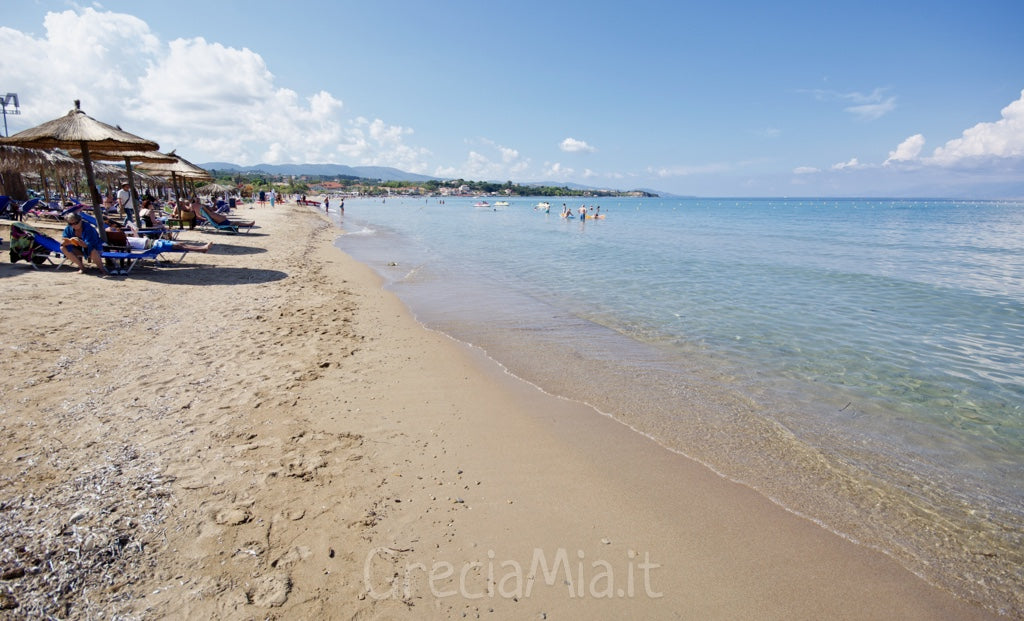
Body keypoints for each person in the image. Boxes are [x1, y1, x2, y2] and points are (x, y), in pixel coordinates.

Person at [107, 221, 213, 253]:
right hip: (152, 246)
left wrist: (133, 232)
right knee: (179, 245)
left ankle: (201, 249)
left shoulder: (126, 239)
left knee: (180, 244)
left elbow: (137, 238)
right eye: (115, 230)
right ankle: (202, 249)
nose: (118, 230)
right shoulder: (123, 243)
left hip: (153, 242)